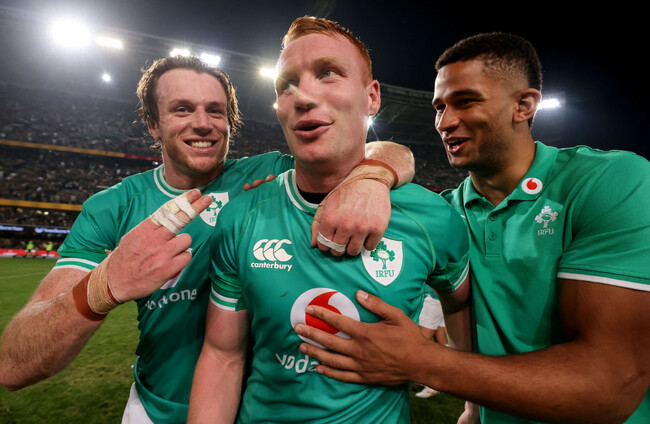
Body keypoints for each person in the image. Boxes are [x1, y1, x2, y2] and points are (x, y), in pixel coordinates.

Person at [0, 55, 416, 423]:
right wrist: (105, 284)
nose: (202, 123)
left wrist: (370, 177)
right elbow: (13, 366)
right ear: (153, 124)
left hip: (260, 410)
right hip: (156, 410)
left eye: (215, 110)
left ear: (230, 123)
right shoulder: (113, 207)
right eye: (182, 109)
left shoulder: (271, 175)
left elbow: (387, 150)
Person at [293, 32, 650, 424]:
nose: (444, 122)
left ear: (523, 106)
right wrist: (474, 408)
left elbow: (610, 383)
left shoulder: (610, 182)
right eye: (439, 107)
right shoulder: (444, 214)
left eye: (466, 101)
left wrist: (420, 361)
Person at [187, 16, 471, 423]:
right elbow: (222, 354)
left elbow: (460, 305)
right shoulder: (242, 215)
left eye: (328, 73)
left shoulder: (431, 216)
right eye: (286, 84)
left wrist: (465, 396)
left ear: (372, 97)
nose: (302, 96)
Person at [414, 288, 447, 399]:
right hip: (443, 298)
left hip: (433, 298)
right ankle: (441, 381)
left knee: (419, 344)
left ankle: (430, 381)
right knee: (441, 343)